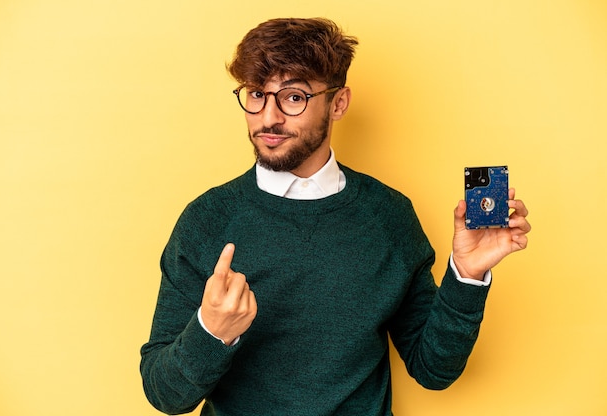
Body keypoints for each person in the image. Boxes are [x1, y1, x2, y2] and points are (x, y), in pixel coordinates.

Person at [140, 17, 530, 416]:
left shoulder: (389, 215)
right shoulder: (206, 219)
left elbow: (433, 369)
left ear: (338, 103)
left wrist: (466, 276)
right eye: (257, 94)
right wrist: (212, 332)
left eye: (293, 97)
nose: (268, 117)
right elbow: (164, 394)